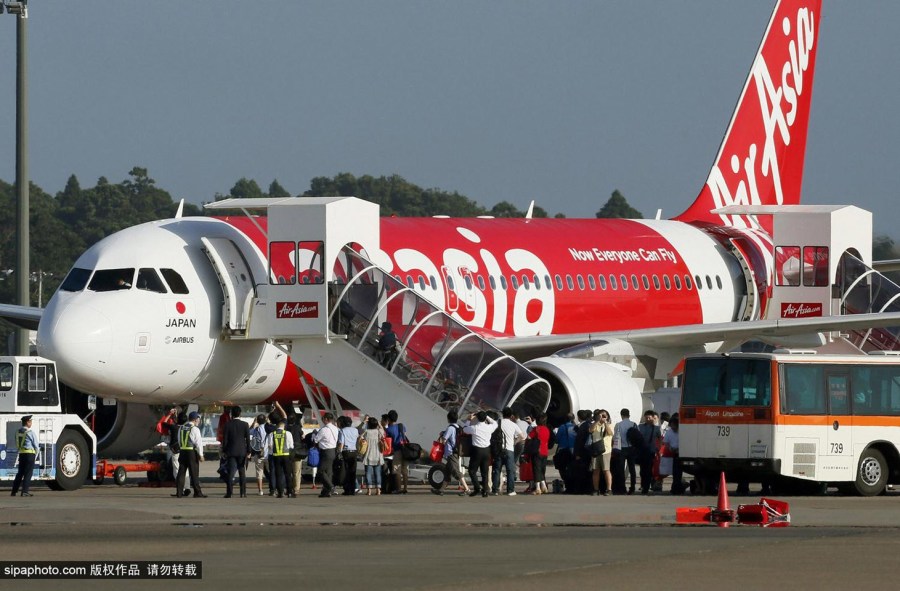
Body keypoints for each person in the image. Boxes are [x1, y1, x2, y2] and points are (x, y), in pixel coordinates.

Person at [432, 410, 469, 496]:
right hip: (456, 451)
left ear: (448, 419)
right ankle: (441, 490)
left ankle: (467, 489)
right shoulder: (458, 427)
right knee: (447, 472)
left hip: (451, 453)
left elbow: (444, 440)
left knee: (456, 472)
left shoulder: (450, 428)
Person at [463, 411, 497, 498]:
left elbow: (465, 429)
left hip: (477, 451)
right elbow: (495, 423)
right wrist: (487, 416)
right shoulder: (489, 427)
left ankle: (477, 487)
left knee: (472, 471)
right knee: (484, 472)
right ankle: (485, 491)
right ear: (485, 418)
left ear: (477, 418)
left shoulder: (474, 428)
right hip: (487, 451)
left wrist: (468, 420)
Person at [492, 407, 525, 496]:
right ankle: (510, 490)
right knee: (510, 471)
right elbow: (522, 436)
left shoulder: (497, 423)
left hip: (498, 450)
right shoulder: (513, 425)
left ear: (502, 414)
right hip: (509, 449)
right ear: (511, 415)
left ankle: (495, 490)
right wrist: (515, 442)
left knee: (497, 470)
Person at [175, 411, 207, 498]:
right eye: (198, 419)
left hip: (182, 452)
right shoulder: (195, 429)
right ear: (196, 419)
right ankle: (197, 493)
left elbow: (179, 440)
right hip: (191, 453)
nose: (199, 421)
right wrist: (201, 455)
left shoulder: (181, 428)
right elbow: (198, 443)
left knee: (181, 472)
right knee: (194, 473)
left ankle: (179, 492)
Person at [221, 406, 251, 498]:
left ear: (231, 414)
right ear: (240, 413)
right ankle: (243, 493)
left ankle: (229, 493)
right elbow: (248, 440)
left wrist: (224, 450)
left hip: (231, 451)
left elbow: (225, 440)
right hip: (242, 451)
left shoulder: (227, 425)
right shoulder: (245, 425)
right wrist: (248, 451)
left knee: (231, 473)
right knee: (242, 473)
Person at [265, 417, 294, 498]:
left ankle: (280, 492)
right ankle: (289, 492)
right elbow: (291, 446)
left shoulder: (272, 434)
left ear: (277, 426)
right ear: (283, 426)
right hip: (286, 455)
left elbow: (270, 446)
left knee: (278, 474)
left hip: (276, 456)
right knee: (288, 474)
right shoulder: (288, 433)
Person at [383, 410, 410, 494]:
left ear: (388, 419)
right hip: (405, 450)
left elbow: (388, 441)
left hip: (397, 450)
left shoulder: (388, 430)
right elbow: (404, 435)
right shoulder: (401, 426)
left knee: (396, 470)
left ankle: (398, 489)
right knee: (405, 470)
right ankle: (405, 488)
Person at [313, 413, 340, 497]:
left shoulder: (324, 429)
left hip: (325, 451)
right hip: (333, 451)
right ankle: (326, 492)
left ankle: (331, 487)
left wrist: (314, 434)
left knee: (321, 471)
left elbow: (316, 440)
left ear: (326, 419)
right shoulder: (335, 428)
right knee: (328, 472)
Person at [11, 415, 37, 497]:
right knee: (28, 473)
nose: (31, 423)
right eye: (31, 421)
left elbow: (17, 442)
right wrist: (36, 454)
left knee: (20, 473)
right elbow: (36, 445)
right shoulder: (30, 432)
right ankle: (25, 491)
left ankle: (14, 491)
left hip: (21, 454)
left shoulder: (18, 432)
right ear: (28, 422)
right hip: (30, 454)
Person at [613, 408, 638, 494]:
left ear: (621, 415)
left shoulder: (618, 425)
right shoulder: (634, 424)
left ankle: (622, 488)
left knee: (621, 469)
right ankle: (632, 487)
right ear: (629, 415)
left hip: (621, 449)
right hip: (632, 448)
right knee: (632, 469)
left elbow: (615, 437)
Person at [589, 409, 614, 496]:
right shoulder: (595, 425)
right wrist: (597, 421)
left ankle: (609, 489)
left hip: (606, 451)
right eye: (601, 415)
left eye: (604, 415)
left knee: (606, 470)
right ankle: (596, 489)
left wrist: (605, 422)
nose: (602, 417)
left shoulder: (610, 425)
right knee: (596, 471)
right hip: (596, 450)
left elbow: (610, 433)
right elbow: (590, 430)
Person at [526, 414, 551, 495]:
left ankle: (537, 488)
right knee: (542, 469)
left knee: (536, 469)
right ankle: (543, 486)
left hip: (537, 451)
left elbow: (529, 437)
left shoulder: (536, 429)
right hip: (545, 451)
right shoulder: (547, 429)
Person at [637, 410, 661, 495]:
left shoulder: (657, 428)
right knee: (642, 470)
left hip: (651, 452)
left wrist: (658, 450)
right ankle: (643, 485)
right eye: (646, 417)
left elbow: (660, 439)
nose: (647, 419)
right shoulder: (640, 426)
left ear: (652, 417)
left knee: (649, 470)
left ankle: (646, 487)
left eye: (649, 417)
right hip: (641, 451)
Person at [360, 416, 385, 496]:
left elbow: (360, 431)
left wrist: (364, 421)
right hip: (377, 456)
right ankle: (378, 490)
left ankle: (369, 490)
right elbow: (383, 430)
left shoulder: (366, 431)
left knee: (368, 473)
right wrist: (379, 423)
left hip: (368, 455)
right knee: (377, 473)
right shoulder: (379, 432)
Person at [336, 415, 360, 495]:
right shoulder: (355, 430)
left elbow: (341, 443)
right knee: (353, 471)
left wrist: (339, 452)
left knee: (345, 471)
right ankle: (353, 489)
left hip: (346, 452)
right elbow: (357, 440)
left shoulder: (342, 431)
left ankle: (347, 489)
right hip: (354, 452)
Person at [249, 414, 268, 496]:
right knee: (272, 471)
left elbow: (249, 431)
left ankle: (260, 490)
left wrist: (254, 422)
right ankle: (273, 489)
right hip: (267, 453)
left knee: (259, 473)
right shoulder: (269, 428)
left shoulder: (256, 429)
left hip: (258, 453)